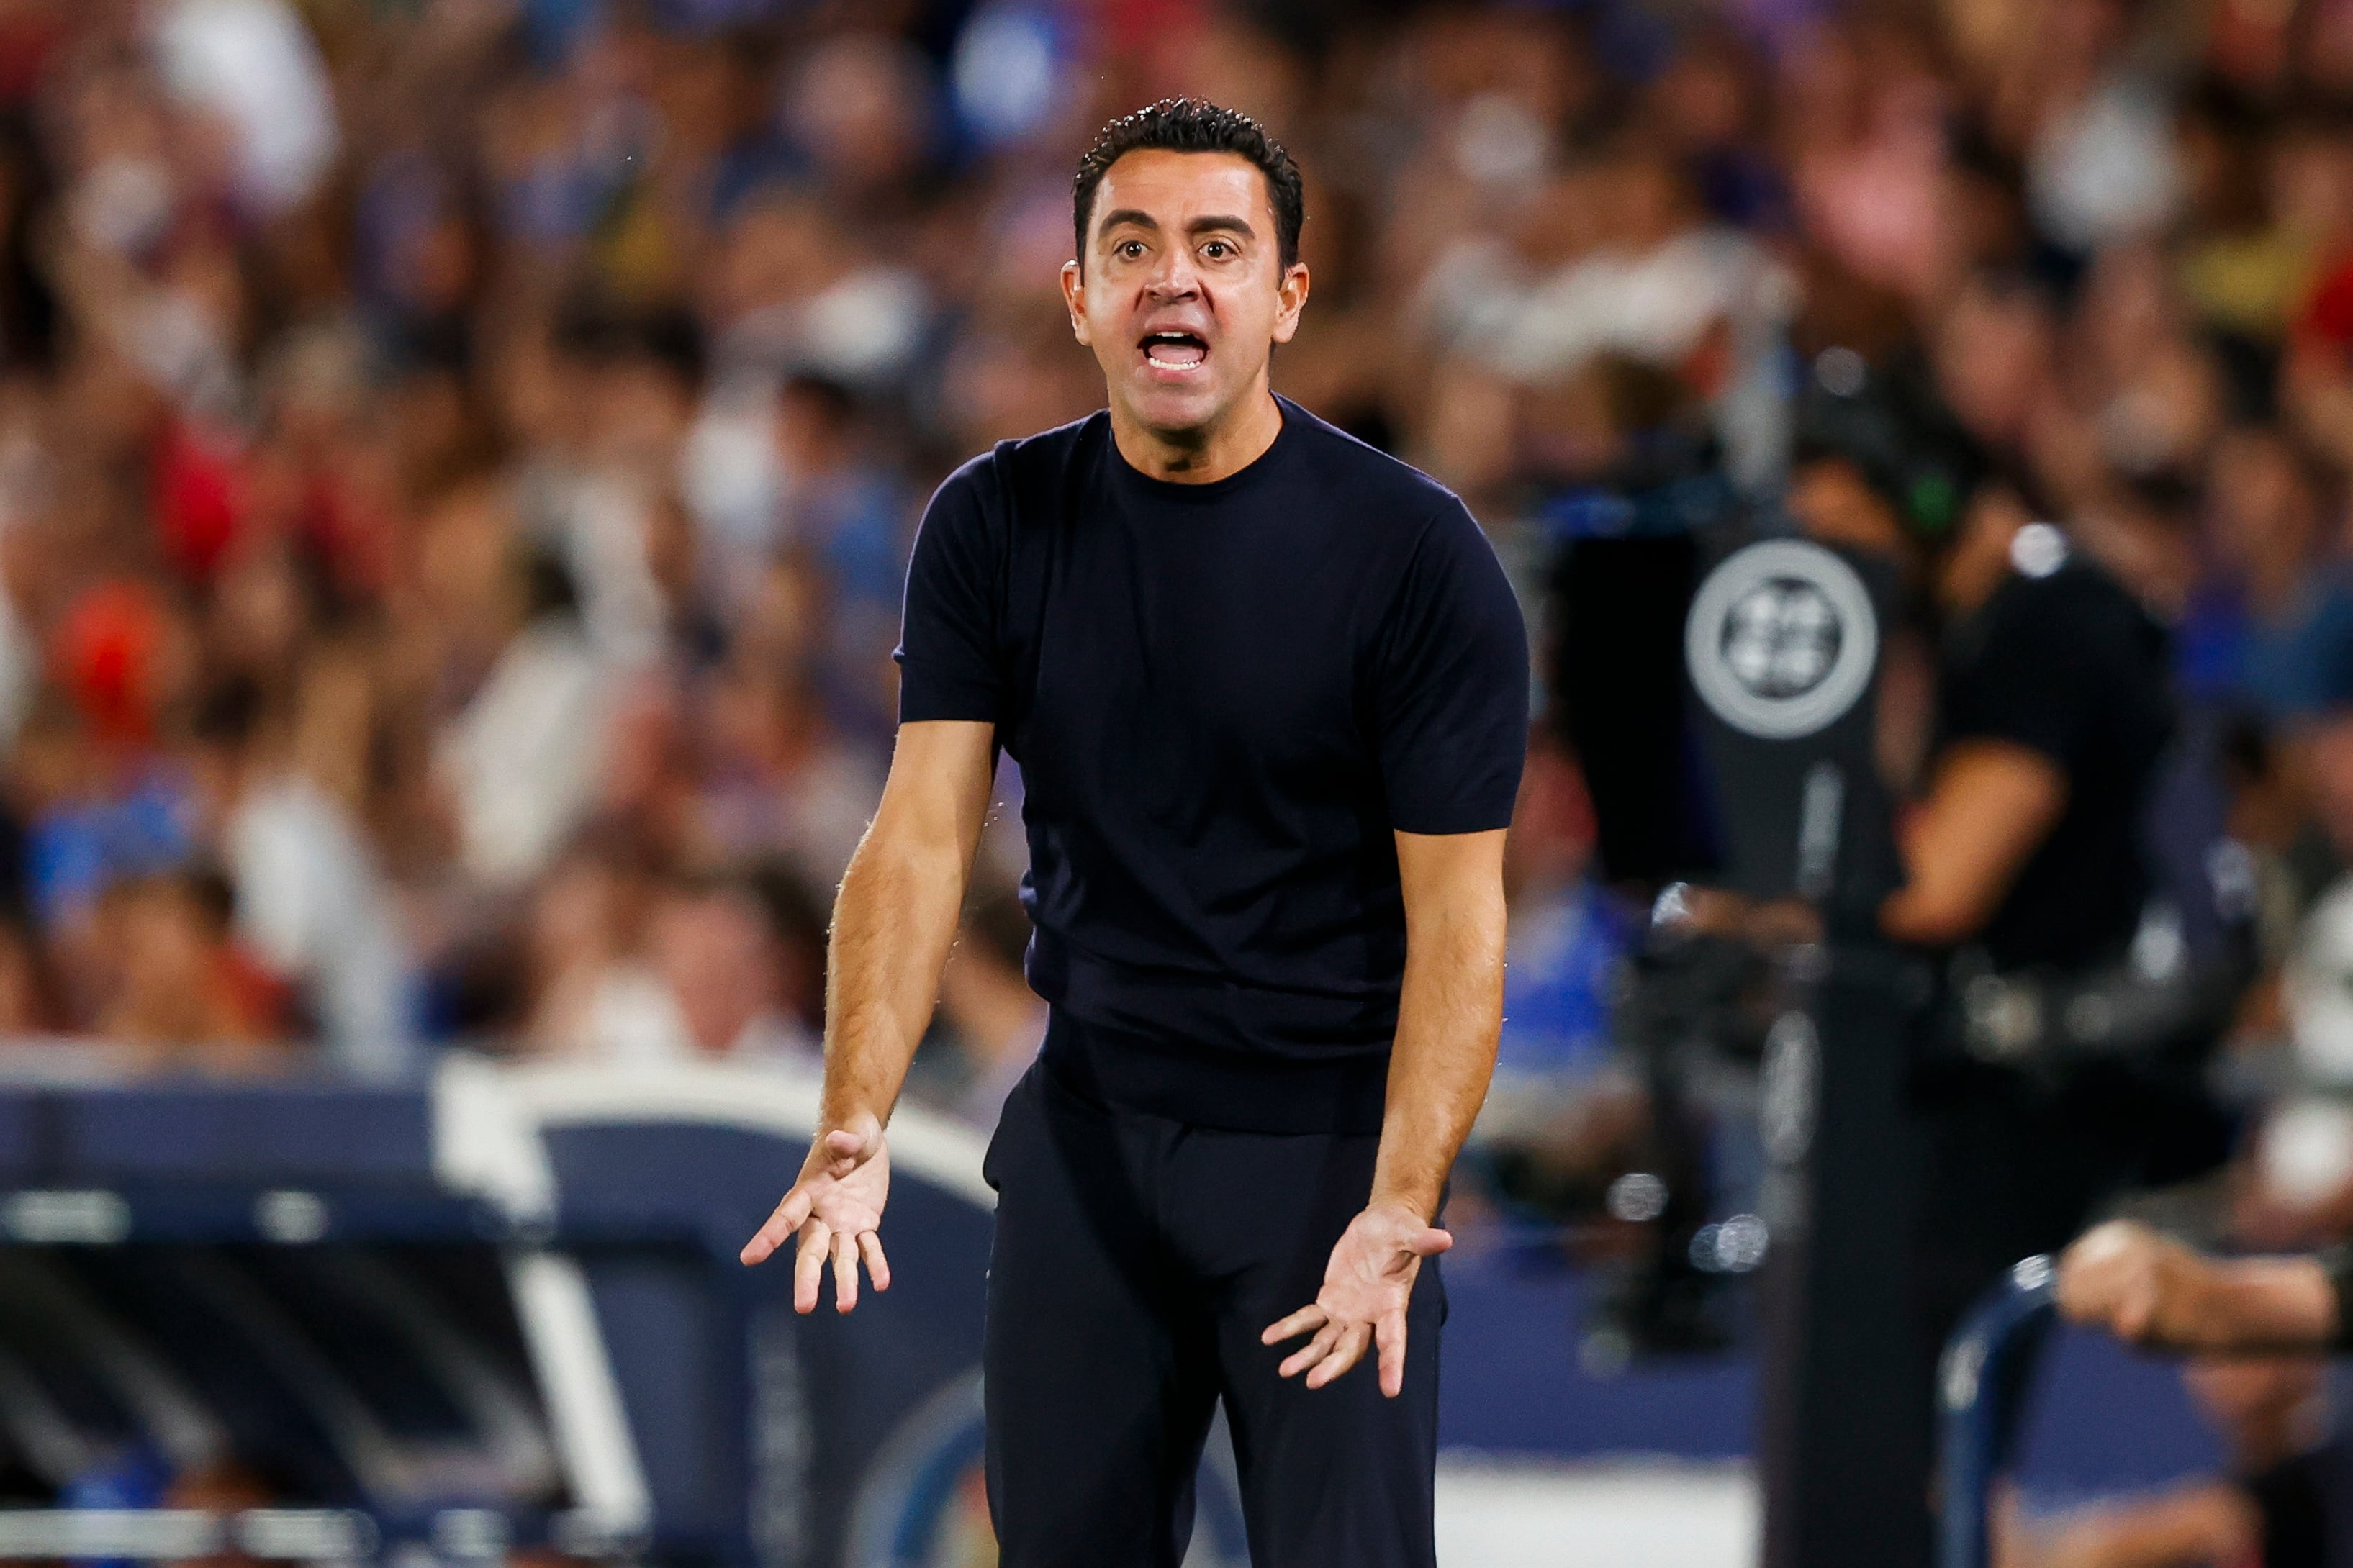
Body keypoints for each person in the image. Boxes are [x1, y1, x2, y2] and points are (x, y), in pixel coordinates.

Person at [738, 98, 1528, 1567]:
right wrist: (856, 1115)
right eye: (1134, 246)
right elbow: (918, 839)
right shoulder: (994, 522)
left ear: (1286, 298)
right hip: (1091, 1143)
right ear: (1080, 298)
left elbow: (1462, 920)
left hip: (1327, 1170)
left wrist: (1399, 1204)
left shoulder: (1415, 557)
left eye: (1220, 247)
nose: (1176, 277)